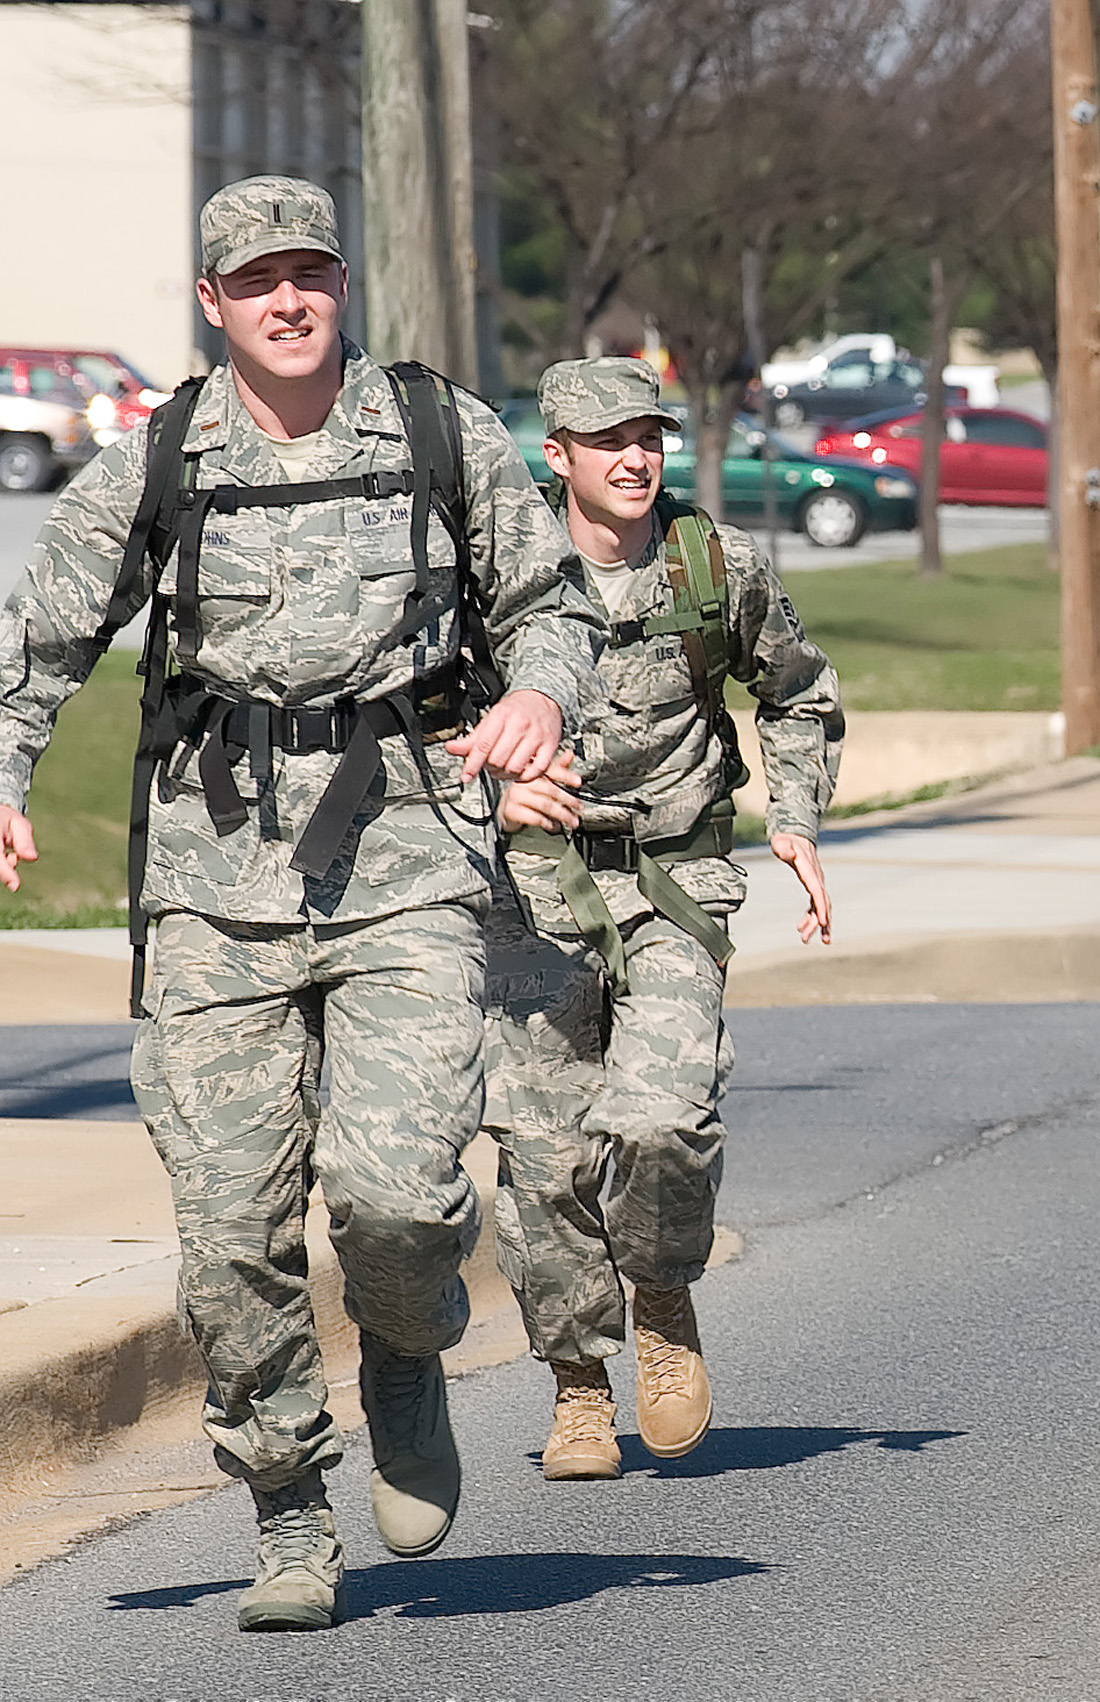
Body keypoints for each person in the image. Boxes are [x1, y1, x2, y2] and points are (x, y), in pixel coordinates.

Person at [0, 176, 603, 1631]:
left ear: (344, 281)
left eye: (311, 272)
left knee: (397, 1194)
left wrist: (536, 694)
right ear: (212, 301)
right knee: (229, 1234)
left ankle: (405, 1341)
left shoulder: (437, 430)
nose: (288, 299)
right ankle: (287, 1508)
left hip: (405, 859)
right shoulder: (157, 457)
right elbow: (37, 642)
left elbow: (555, 605)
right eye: (256, 278)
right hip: (213, 886)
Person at [484, 358, 843, 1482]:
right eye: (609, 441)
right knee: (543, 1164)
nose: (636, 458)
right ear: (561, 454)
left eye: (650, 436)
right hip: (530, 897)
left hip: (677, 883)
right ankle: (580, 1385)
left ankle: (663, 1296)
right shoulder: (494, 577)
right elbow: (420, 727)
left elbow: (797, 689)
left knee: (660, 1122)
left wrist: (794, 818)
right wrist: (488, 789)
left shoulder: (711, 565)